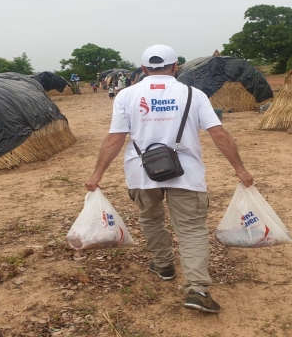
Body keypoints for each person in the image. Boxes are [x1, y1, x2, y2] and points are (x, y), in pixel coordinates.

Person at [85, 44, 253, 314]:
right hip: (186, 174)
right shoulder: (193, 94)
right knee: (190, 228)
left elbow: (115, 138)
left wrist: (97, 173)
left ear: (143, 69)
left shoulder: (126, 95)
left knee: (150, 219)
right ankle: (197, 289)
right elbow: (218, 133)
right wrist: (240, 169)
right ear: (176, 67)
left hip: (141, 172)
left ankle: (163, 265)